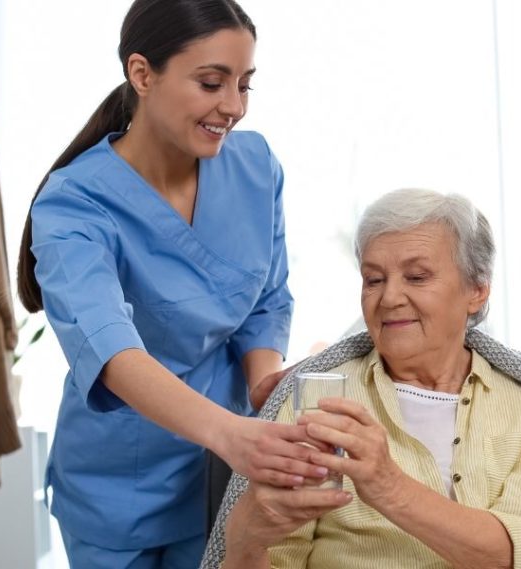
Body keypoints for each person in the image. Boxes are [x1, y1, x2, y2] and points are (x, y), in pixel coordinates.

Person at [17, 1, 324, 567]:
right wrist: (231, 434)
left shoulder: (255, 166)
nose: (232, 107)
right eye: (211, 83)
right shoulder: (74, 202)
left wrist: (263, 384)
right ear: (142, 74)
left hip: (221, 470)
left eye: (244, 85)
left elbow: (266, 300)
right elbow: (108, 346)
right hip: (119, 489)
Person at [202, 189, 521, 569]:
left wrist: (386, 484)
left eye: (416, 276)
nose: (390, 297)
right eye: (374, 279)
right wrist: (244, 544)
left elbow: (513, 554)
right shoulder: (316, 401)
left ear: (477, 291)